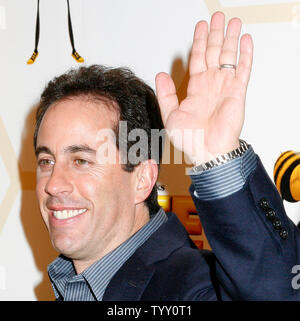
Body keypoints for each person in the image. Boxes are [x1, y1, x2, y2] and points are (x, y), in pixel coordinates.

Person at [34, 12, 300, 301]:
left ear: (142, 179)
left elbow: (276, 291)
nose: (53, 184)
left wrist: (217, 156)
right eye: (46, 161)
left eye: (81, 161)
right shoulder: (71, 286)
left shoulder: (195, 288)